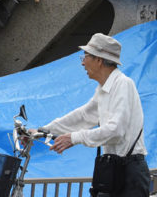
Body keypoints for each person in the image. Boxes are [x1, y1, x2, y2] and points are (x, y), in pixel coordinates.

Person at [40, 33, 149, 197]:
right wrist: (43, 130)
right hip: (113, 169)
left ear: (99, 60)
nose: (83, 62)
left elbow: (116, 130)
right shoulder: (103, 89)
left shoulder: (123, 84)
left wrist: (74, 138)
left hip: (129, 172)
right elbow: (83, 116)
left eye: (85, 56)